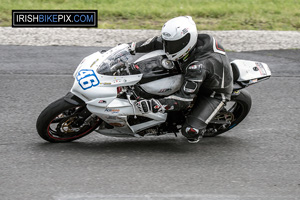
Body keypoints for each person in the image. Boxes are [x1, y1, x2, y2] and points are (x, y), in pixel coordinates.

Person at [129, 16, 233, 143]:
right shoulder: (186, 43)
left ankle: (197, 128)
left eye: (173, 44)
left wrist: (156, 104)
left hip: (213, 93)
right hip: (197, 75)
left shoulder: (198, 66)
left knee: (190, 131)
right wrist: (132, 47)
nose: (167, 47)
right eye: (168, 42)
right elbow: (157, 42)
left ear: (186, 42)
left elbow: (184, 100)